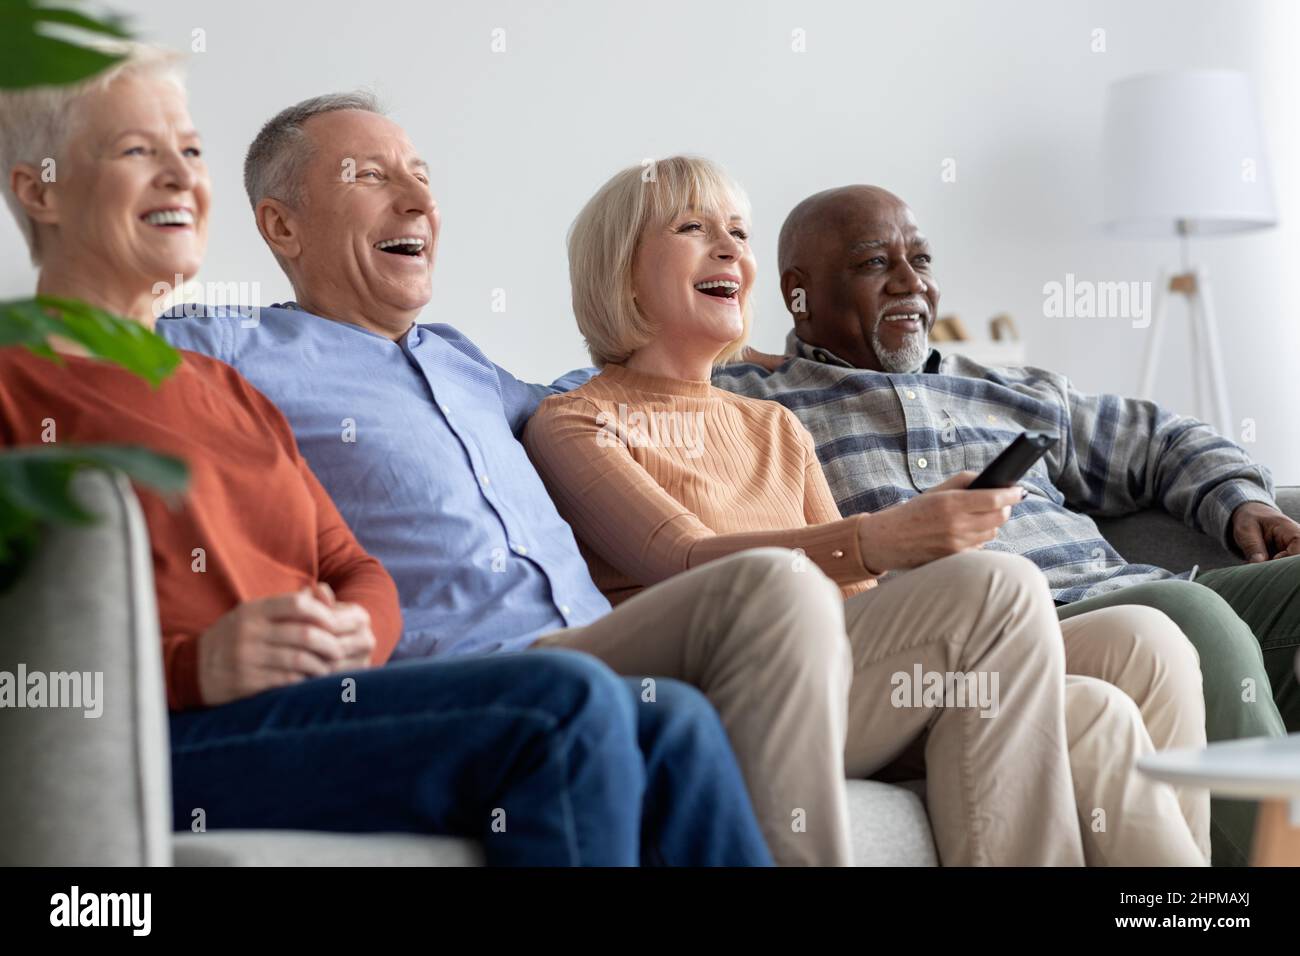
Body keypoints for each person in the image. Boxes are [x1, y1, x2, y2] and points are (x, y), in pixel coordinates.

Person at [163, 92, 1144, 866]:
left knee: (1018, 603)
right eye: (372, 178)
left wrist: (746, 359)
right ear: (280, 225)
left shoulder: (474, 367)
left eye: (421, 177)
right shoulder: (231, 348)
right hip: (469, 679)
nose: (419, 201)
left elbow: (619, 398)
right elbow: (89, 341)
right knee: (772, 583)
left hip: (602, 646)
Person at [0, 50, 772, 867]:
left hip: (326, 703)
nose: (180, 177)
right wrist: (195, 666)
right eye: (135, 150)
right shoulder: (47, 377)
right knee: (563, 703)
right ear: (40, 189)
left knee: (676, 720)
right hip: (178, 733)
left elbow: (352, 564)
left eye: (190, 152)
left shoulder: (225, 391)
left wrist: (350, 634)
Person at [531, 155, 1209, 867]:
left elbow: (857, 600)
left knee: (1125, 668)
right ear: (622, 270)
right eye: (693, 227)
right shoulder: (576, 421)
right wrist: (884, 538)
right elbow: (680, 560)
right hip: (724, 687)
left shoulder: (772, 426)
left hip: (844, 674)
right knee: (995, 585)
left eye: (738, 230)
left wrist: (908, 552)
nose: (730, 247)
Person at [712, 183, 1299, 866]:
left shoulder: (1015, 388)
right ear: (799, 293)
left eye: (922, 261)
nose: (910, 283)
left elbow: (1162, 439)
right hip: (1005, 629)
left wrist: (1240, 500)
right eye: (875, 264)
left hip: (1125, 588)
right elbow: (633, 386)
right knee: (1184, 615)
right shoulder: (760, 406)